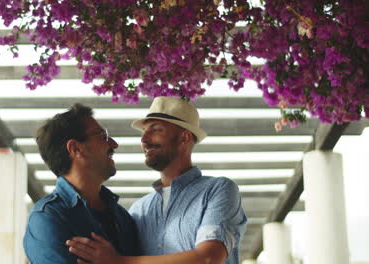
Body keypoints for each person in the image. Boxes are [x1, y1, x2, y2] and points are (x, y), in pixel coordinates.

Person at [66, 96, 247, 264]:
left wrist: (120, 262)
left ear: (184, 137)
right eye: (144, 131)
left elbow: (208, 258)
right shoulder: (139, 210)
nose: (144, 139)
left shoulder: (218, 190)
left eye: (156, 129)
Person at [23, 103, 139, 263]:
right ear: (75, 148)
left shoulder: (122, 216)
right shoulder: (47, 218)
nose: (114, 144)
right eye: (102, 136)